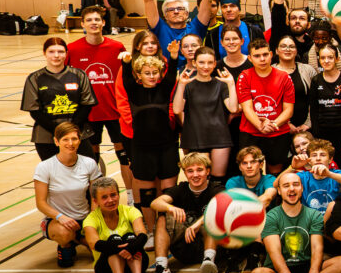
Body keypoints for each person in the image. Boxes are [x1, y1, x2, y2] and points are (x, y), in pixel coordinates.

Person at [249, 171, 341, 273]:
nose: (291, 189)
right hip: (278, 272)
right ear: (279, 191)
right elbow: (274, 250)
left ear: (302, 189)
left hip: (306, 267)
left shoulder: (313, 215)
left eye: (296, 185)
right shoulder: (271, 216)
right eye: (286, 186)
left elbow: (317, 247)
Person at [67, 6, 127, 179]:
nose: (93, 23)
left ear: (103, 22)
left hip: (115, 111)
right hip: (88, 113)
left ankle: (131, 197)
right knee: (92, 159)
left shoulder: (117, 47)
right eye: (89, 20)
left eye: (97, 19)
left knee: (124, 157)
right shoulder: (73, 49)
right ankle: (95, 196)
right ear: (82, 24)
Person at [146, 151, 221, 273]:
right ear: (185, 173)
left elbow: (220, 206)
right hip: (184, 246)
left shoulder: (216, 188)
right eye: (190, 171)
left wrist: (197, 224)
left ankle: (209, 260)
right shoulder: (181, 189)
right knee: (163, 216)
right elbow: (155, 203)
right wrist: (170, 208)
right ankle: (162, 268)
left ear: (208, 171)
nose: (195, 175)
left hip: (208, 244)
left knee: (214, 216)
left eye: (200, 170)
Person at [33, 122, 102, 268]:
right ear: (56, 141)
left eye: (74, 139)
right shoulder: (45, 167)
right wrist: (60, 217)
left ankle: (79, 238)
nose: (70, 143)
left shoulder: (89, 163)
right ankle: (67, 244)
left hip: (84, 217)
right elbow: (41, 203)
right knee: (64, 235)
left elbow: (96, 196)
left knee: (101, 254)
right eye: (65, 139)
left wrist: (92, 218)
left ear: (79, 140)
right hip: (58, 221)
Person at [122, 50, 180, 214]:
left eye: (155, 73)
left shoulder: (164, 88)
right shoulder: (133, 90)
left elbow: (171, 74)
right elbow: (126, 78)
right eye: (147, 73)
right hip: (142, 148)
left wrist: (174, 57)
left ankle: (168, 227)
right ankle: (150, 233)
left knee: (169, 191)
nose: (152, 76)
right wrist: (126, 63)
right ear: (139, 75)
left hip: (167, 146)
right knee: (147, 194)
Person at [23, 37, 96, 160]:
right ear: (44, 53)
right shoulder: (34, 78)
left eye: (61, 52)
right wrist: (58, 131)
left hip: (77, 133)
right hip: (46, 136)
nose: (56, 55)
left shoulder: (79, 75)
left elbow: (86, 104)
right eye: (51, 51)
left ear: (66, 54)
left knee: (88, 170)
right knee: (55, 175)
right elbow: (34, 111)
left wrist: (71, 130)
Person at [82, 179, 150, 273]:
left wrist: (131, 247)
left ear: (119, 195)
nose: (110, 200)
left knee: (131, 237)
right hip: (107, 271)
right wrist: (119, 248)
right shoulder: (91, 219)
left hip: (137, 265)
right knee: (113, 242)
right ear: (96, 201)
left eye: (113, 195)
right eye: (104, 197)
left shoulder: (130, 211)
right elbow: (94, 244)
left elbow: (142, 234)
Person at [173, 47, 238, 177]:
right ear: (195, 63)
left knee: (217, 179)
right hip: (194, 137)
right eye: (202, 62)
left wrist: (231, 84)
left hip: (220, 137)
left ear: (215, 64)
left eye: (210, 63)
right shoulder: (187, 84)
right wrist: (181, 85)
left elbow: (233, 108)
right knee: (200, 178)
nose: (206, 66)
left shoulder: (221, 84)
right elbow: (177, 109)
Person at [236, 41, 296, 174]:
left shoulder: (284, 77)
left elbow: (288, 110)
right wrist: (260, 125)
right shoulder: (244, 76)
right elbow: (247, 108)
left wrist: (273, 124)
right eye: (257, 56)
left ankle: (272, 195)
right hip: (250, 132)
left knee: (275, 170)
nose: (262, 59)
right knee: (249, 170)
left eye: (265, 55)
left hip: (278, 131)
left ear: (271, 55)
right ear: (250, 58)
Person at [306, 45, 341, 166]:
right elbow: (314, 109)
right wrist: (316, 136)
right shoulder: (316, 80)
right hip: (322, 132)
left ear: (337, 59)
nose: (326, 61)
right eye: (323, 58)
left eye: (330, 57)